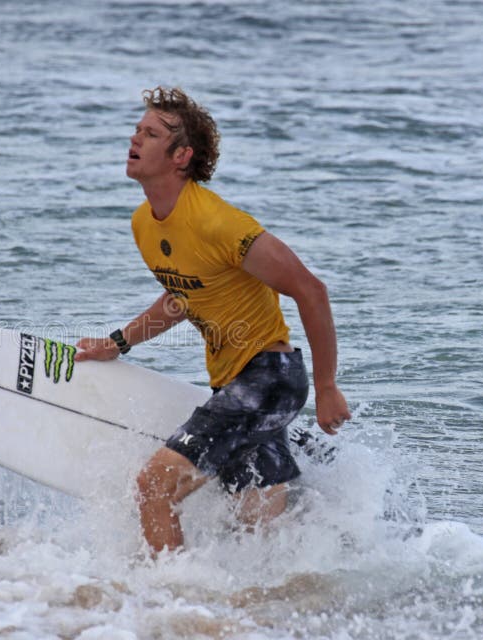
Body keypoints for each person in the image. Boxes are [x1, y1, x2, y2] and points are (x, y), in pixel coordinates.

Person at [75, 86, 351, 555]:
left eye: (151, 133)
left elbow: (311, 289)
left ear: (181, 155)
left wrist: (326, 387)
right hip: (242, 387)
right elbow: (182, 298)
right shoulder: (145, 223)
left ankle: (166, 609)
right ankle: (256, 610)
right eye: (137, 128)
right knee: (258, 538)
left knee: (153, 488)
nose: (135, 137)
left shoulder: (220, 223)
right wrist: (117, 343)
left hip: (266, 381)